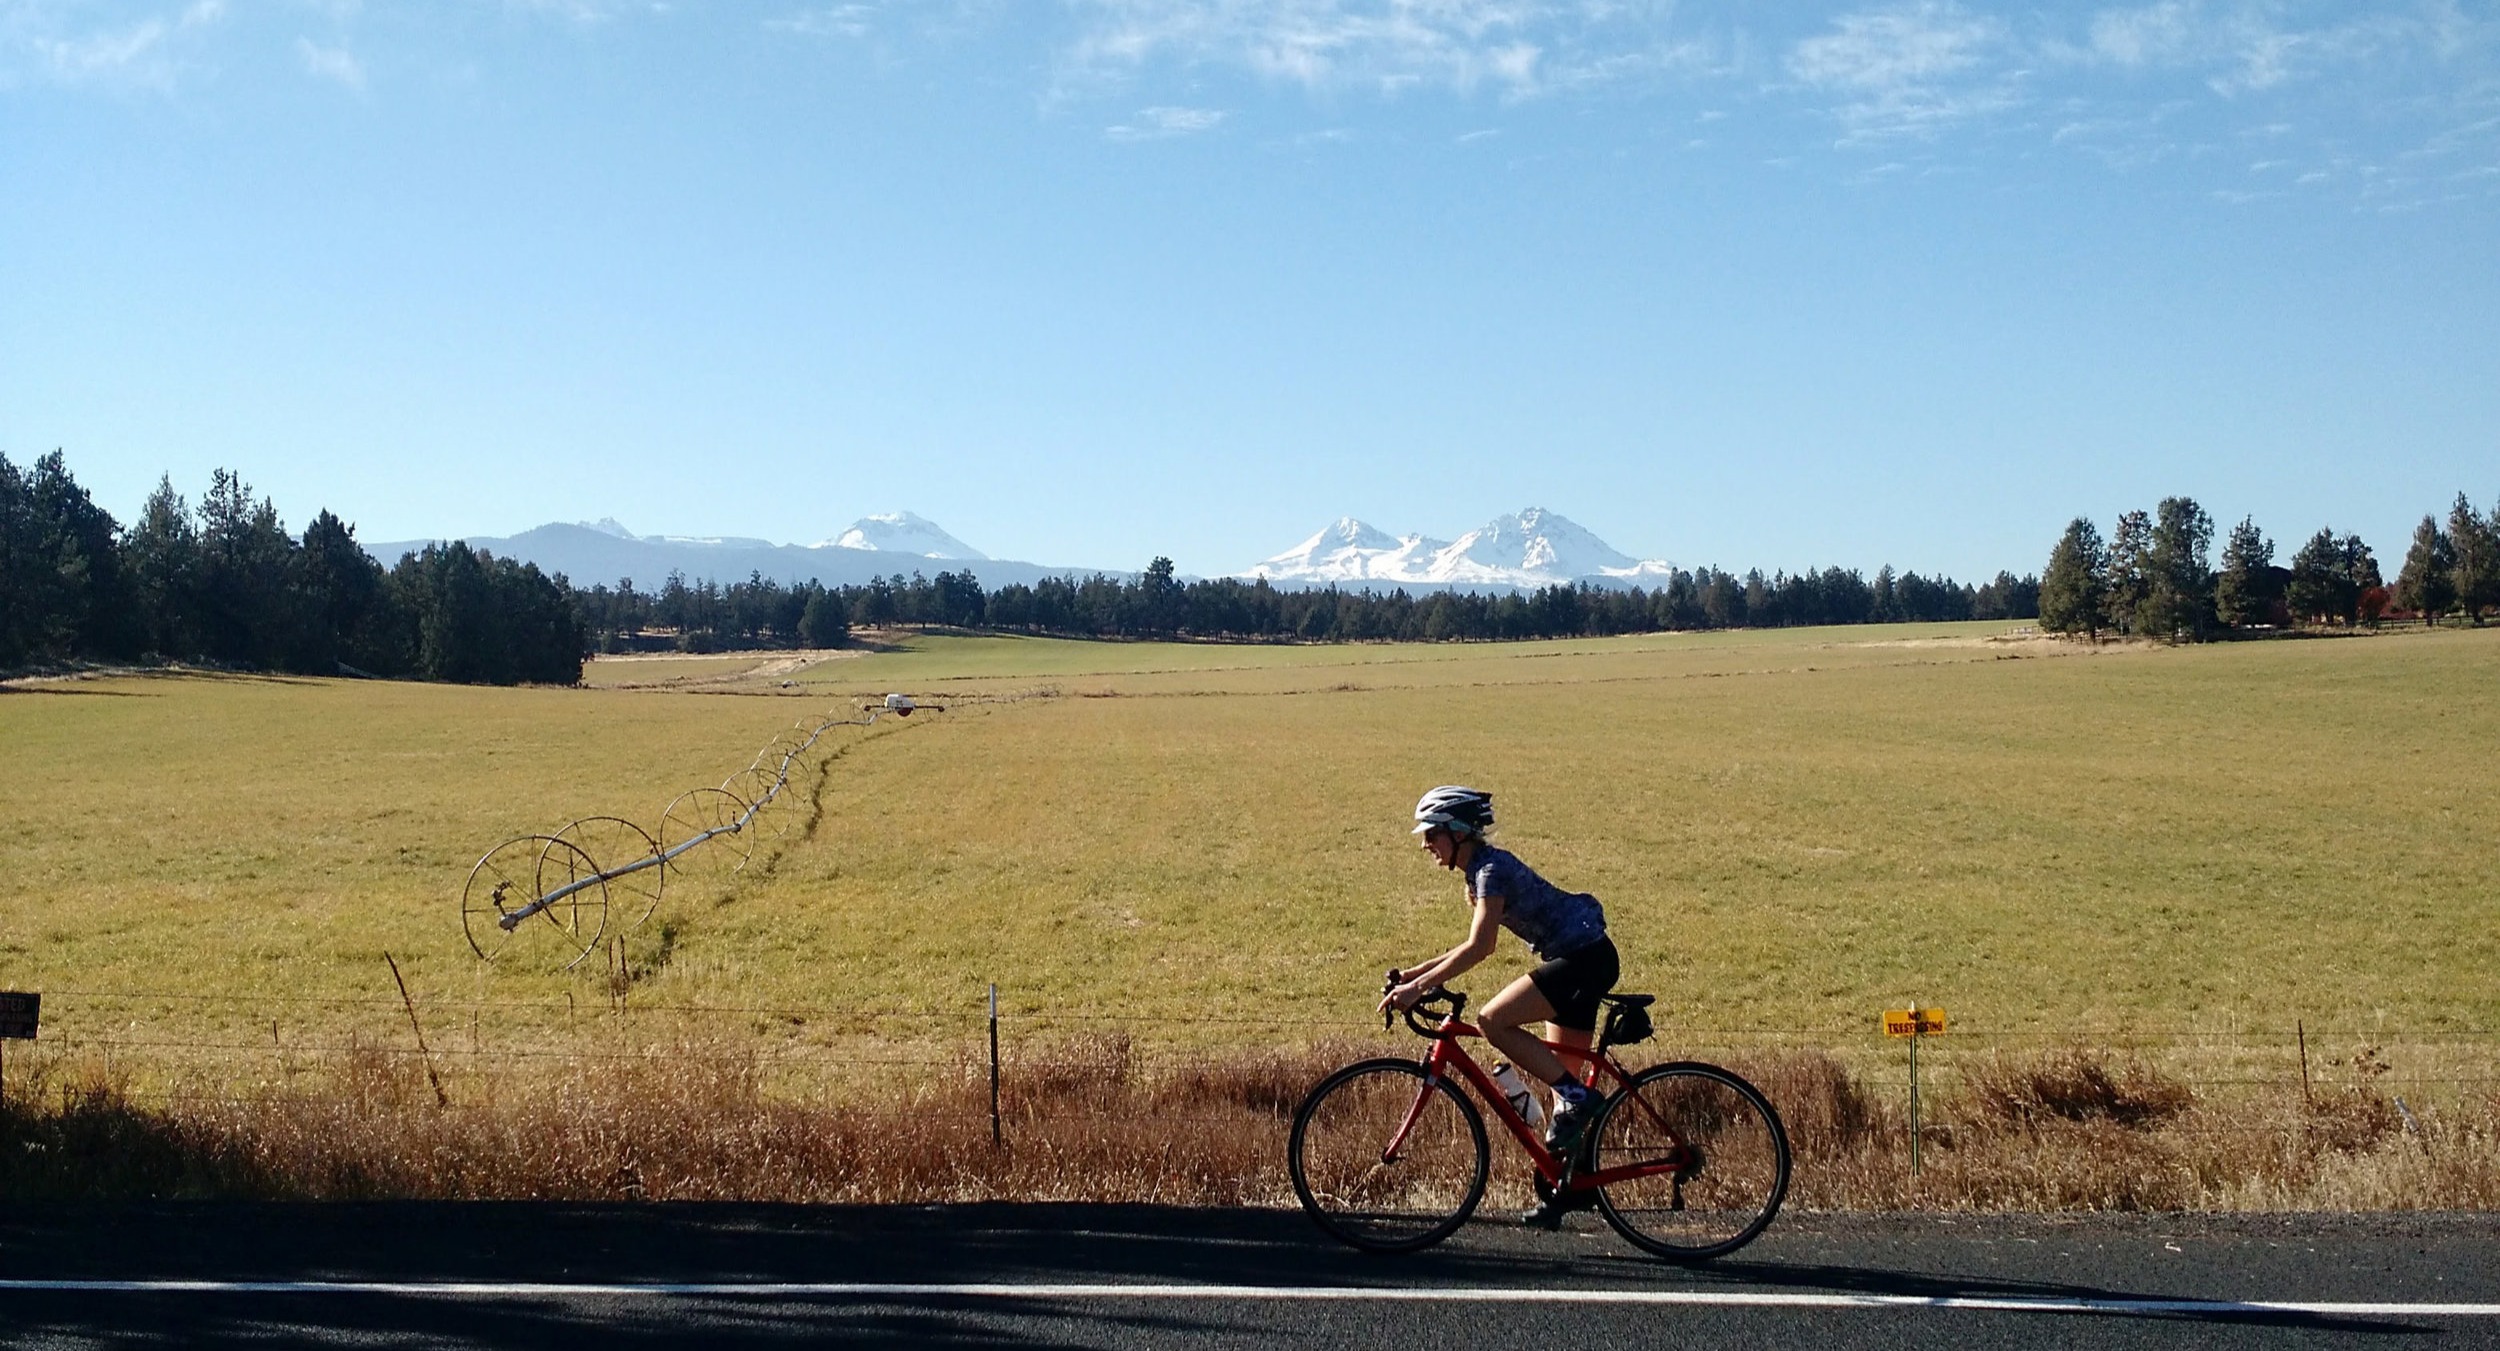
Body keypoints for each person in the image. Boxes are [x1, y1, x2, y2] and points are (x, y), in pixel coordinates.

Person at [1378, 784, 1619, 1229]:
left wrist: (1421, 986)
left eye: (1431, 835)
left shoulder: (1490, 872)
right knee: (1563, 1097)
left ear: (1458, 833)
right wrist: (1414, 975)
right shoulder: (1480, 872)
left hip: (1582, 960)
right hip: (1580, 957)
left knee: (1493, 1020)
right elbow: (1468, 945)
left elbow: (1480, 947)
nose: (1426, 845)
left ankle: (1585, 1101)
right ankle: (1571, 1191)